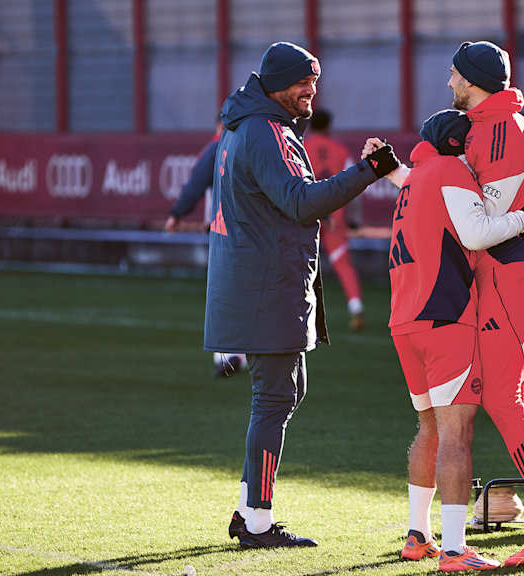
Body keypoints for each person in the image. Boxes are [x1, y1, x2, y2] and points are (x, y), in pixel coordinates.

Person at [366, 41, 524, 568]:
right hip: (480, 279)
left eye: (455, 75)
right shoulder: (486, 126)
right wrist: (399, 173)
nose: (449, 83)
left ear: (475, 80)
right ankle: (438, 535)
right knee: (468, 411)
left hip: (502, 271)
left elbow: (481, 220)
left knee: (504, 400)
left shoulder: (505, 129)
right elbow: (454, 198)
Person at [206, 41, 399, 549]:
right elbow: (300, 202)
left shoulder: (246, 125)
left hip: (262, 281)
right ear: (275, 85)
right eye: (301, 82)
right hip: (266, 285)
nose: (310, 90)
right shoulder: (266, 132)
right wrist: (369, 171)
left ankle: (250, 509)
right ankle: (257, 522)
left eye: (314, 81)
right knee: (274, 399)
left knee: (284, 394)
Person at [390, 109, 524, 571]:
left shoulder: (417, 178)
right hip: (445, 319)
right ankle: (454, 549)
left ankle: (419, 535)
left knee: (428, 428)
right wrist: (522, 219)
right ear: (457, 145)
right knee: (456, 433)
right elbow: (474, 234)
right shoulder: (452, 169)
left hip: (405, 319)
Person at [163, 120, 249, 378]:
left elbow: (197, 183)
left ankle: (228, 356)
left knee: (223, 293)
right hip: (254, 231)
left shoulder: (216, 148)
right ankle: (243, 354)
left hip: (224, 231)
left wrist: (177, 213)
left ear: (219, 124)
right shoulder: (252, 146)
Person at [304, 109, 367, 331]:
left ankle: (297, 314)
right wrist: (354, 218)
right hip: (335, 215)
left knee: (298, 264)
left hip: (307, 213)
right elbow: (355, 182)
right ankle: (356, 307)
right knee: (342, 263)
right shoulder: (341, 151)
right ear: (329, 127)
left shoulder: (302, 148)